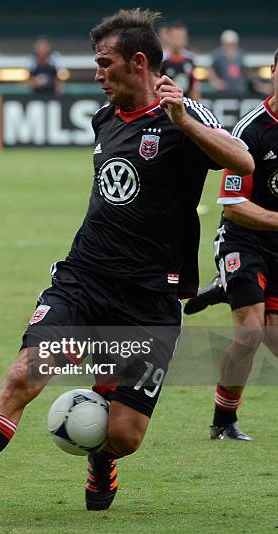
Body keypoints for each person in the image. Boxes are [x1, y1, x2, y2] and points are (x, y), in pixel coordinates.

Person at [0, 8, 253, 528]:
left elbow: (244, 160)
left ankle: (101, 456)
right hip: (84, 281)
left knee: (123, 435)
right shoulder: (104, 117)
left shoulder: (183, 115)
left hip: (148, 301)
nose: (96, 73)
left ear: (138, 63)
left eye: (104, 63)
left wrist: (184, 120)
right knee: (23, 376)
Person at [185, 49, 278, 440]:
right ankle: (224, 422)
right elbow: (234, 207)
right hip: (243, 240)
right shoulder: (251, 130)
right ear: (273, 71)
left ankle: (228, 287)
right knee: (250, 333)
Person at [161, 21, 200, 100]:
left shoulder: (190, 59)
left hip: (185, 105)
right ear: (168, 38)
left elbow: (194, 87)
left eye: (181, 37)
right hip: (165, 105)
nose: (178, 40)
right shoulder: (161, 59)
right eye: (176, 37)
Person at [209, 30, 247, 97]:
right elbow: (211, 71)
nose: (230, 46)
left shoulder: (241, 55)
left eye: (232, 44)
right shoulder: (218, 55)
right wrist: (216, 82)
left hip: (238, 90)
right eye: (228, 44)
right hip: (223, 91)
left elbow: (244, 71)